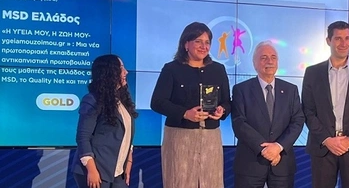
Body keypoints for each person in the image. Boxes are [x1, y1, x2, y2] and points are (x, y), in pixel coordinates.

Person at [150, 22, 231, 188]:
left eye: (207, 42)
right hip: (180, 138)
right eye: (198, 41)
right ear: (186, 44)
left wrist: (222, 111)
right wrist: (185, 113)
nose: (204, 46)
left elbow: (227, 102)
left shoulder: (218, 70)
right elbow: (157, 102)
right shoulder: (171, 69)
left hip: (210, 139)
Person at [302, 21, 349, 188]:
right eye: (338, 38)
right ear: (328, 41)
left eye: (347, 38)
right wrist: (326, 139)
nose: (344, 43)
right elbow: (308, 110)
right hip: (323, 147)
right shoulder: (312, 72)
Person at [232, 41, 304, 188]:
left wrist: (278, 147)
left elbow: (297, 121)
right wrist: (265, 150)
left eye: (273, 57)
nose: (269, 61)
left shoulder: (291, 90)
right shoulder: (241, 89)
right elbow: (239, 123)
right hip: (250, 164)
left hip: (282, 164)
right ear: (254, 63)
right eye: (264, 57)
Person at [72, 54, 137, 188]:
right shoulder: (92, 100)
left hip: (117, 172)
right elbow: (83, 137)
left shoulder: (121, 101)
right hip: (96, 171)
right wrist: (92, 170)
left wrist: (128, 162)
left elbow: (126, 134)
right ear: (109, 72)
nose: (126, 72)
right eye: (121, 68)